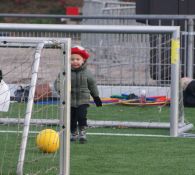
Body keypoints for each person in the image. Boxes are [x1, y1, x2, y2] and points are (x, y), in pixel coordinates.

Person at [54, 45, 102, 143]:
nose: (75, 61)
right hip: (69, 100)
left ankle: (82, 132)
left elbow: (92, 85)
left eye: (77, 59)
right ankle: (73, 133)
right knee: (71, 118)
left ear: (83, 60)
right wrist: (61, 90)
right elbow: (57, 82)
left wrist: (96, 97)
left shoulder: (87, 73)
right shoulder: (65, 72)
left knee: (81, 116)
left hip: (83, 100)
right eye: (72, 59)